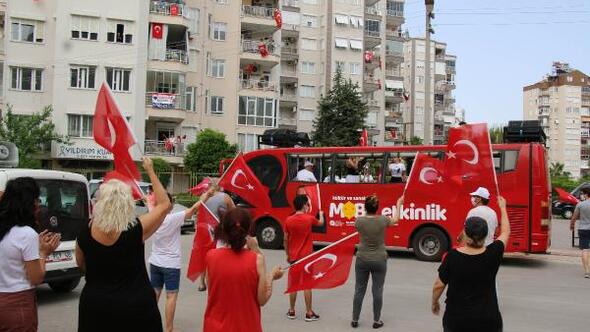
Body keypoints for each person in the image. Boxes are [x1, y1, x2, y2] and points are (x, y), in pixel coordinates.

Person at [76, 157, 172, 332]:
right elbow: (165, 204)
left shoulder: (84, 232)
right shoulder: (136, 229)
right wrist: (150, 170)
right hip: (135, 308)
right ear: (127, 202)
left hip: (96, 308)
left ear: (100, 202)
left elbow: (81, 264)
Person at [431, 196, 510, 332]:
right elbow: (506, 232)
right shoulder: (493, 253)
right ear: (486, 235)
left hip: (457, 320)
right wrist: (503, 207)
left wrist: (434, 302)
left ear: (465, 233)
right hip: (488, 320)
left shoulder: (452, 257)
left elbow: (438, 285)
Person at [203, 208, 284, 332]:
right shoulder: (257, 260)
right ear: (248, 231)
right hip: (247, 326)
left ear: (224, 229)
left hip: (214, 327)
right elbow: (262, 300)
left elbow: (212, 290)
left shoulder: (211, 256)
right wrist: (271, 276)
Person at [0, 177, 61, 332]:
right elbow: (36, 277)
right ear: (29, 203)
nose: (39, 204)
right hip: (17, 303)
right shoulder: (26, 234)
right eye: (37, 199)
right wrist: (43, 252)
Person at [149, 191, 213, 332]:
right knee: (171, 296)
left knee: (154, 293)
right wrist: (206, 196)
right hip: (171, 264)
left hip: (155, 262)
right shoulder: (173, 218)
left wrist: (151, 200)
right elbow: (193, 209)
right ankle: (169, 328)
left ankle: (149, 324)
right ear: (169, 205)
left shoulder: (152, 215)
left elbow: (150, 201)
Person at [351, 195, 403, 329]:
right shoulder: (383, 220)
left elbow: (361, 225)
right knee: (377, 291)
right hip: (380, 259)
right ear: (377, 208)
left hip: (362, 258)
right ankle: (376, 320)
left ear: (365, 207)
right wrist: (399, 203)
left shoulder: (359, 221)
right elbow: (397, 219)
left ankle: (355, 319)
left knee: (359, 290)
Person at [284, 195, 324, 322]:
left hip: (294, 257)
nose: (308, 206)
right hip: (307, 257)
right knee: (307, 285)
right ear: (304, 205)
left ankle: (291, 311)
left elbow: (285, 239)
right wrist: (321, 214)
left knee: (294, 285)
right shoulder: (309, 219)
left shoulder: (288, 220)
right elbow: (321, 223)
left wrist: (287, 254)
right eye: (307, 204)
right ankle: (309, 313)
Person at [198, 184, 236, 292]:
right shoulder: (225, 197)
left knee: (204, 256)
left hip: (204, 229)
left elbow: (198, 210)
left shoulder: (204, 196)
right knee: (215, 256)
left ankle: (201, 283)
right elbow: (234, 211)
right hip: (219, 230)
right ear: (220, 187)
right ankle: (213, 283)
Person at [570, 186, 590, 278]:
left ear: (586, 194)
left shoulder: (580, 204)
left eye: (582, 193)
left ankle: (587, 272)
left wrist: (572, 225)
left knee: (585, 250)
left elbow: (574, 217)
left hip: (583, 229)